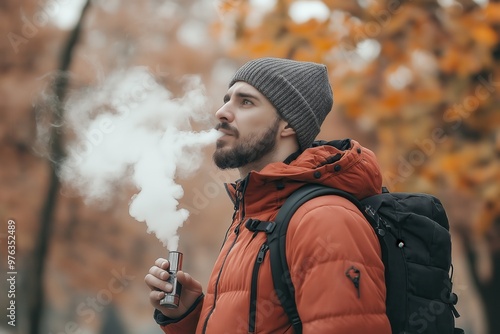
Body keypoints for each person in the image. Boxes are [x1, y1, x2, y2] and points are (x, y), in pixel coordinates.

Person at [144, 57, 391, 333]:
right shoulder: (251, 218)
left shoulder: (324, 219)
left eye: (245, 102)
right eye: (227, 99)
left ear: (287, 125)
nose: (222, 112)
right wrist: (189, 315)